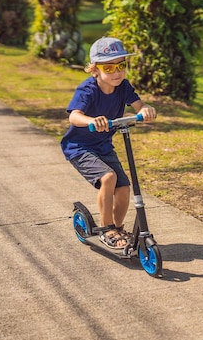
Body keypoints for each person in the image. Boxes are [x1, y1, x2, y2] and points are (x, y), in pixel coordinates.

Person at [61, 37, 157, 249]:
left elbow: (139, 105)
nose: (117, 72)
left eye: (121, 65)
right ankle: (106, 229)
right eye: (109, 67)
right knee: (108, 177)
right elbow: (74, 116)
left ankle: (116, 228)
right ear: (95, 69)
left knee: (123, 188)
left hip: (103, 147)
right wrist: (92, 121)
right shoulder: (88, 90)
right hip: (79, 148)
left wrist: (145, 110)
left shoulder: (123, 87)